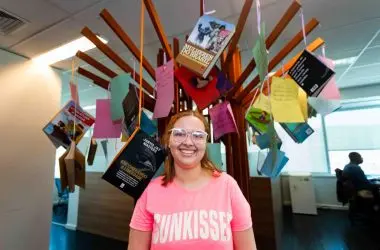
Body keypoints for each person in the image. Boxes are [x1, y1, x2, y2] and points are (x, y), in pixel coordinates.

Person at [128, 110, 257, 250]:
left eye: (198, 136)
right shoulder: (150, 192)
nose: (188, 142)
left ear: (205, 143)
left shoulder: (228, 186)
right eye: (179, 134)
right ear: (168, 140)